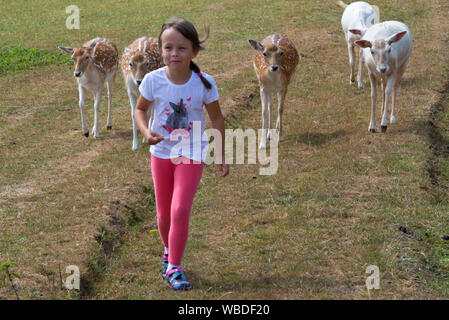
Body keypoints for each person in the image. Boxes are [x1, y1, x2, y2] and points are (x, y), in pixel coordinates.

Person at [134, 17, 229, 291]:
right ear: (161, 50)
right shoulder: (153, 81)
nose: (174, 54)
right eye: (168, 48)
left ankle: (174, 267)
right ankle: (168, 251)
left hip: (191, 153)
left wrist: (221, 154)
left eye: (181, 48)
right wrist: (145, 132)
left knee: (180, 209)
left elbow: (218, 120)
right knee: (163, 215)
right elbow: (140, 110)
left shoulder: (204, 84)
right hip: (161, 152)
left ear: (194, 51)